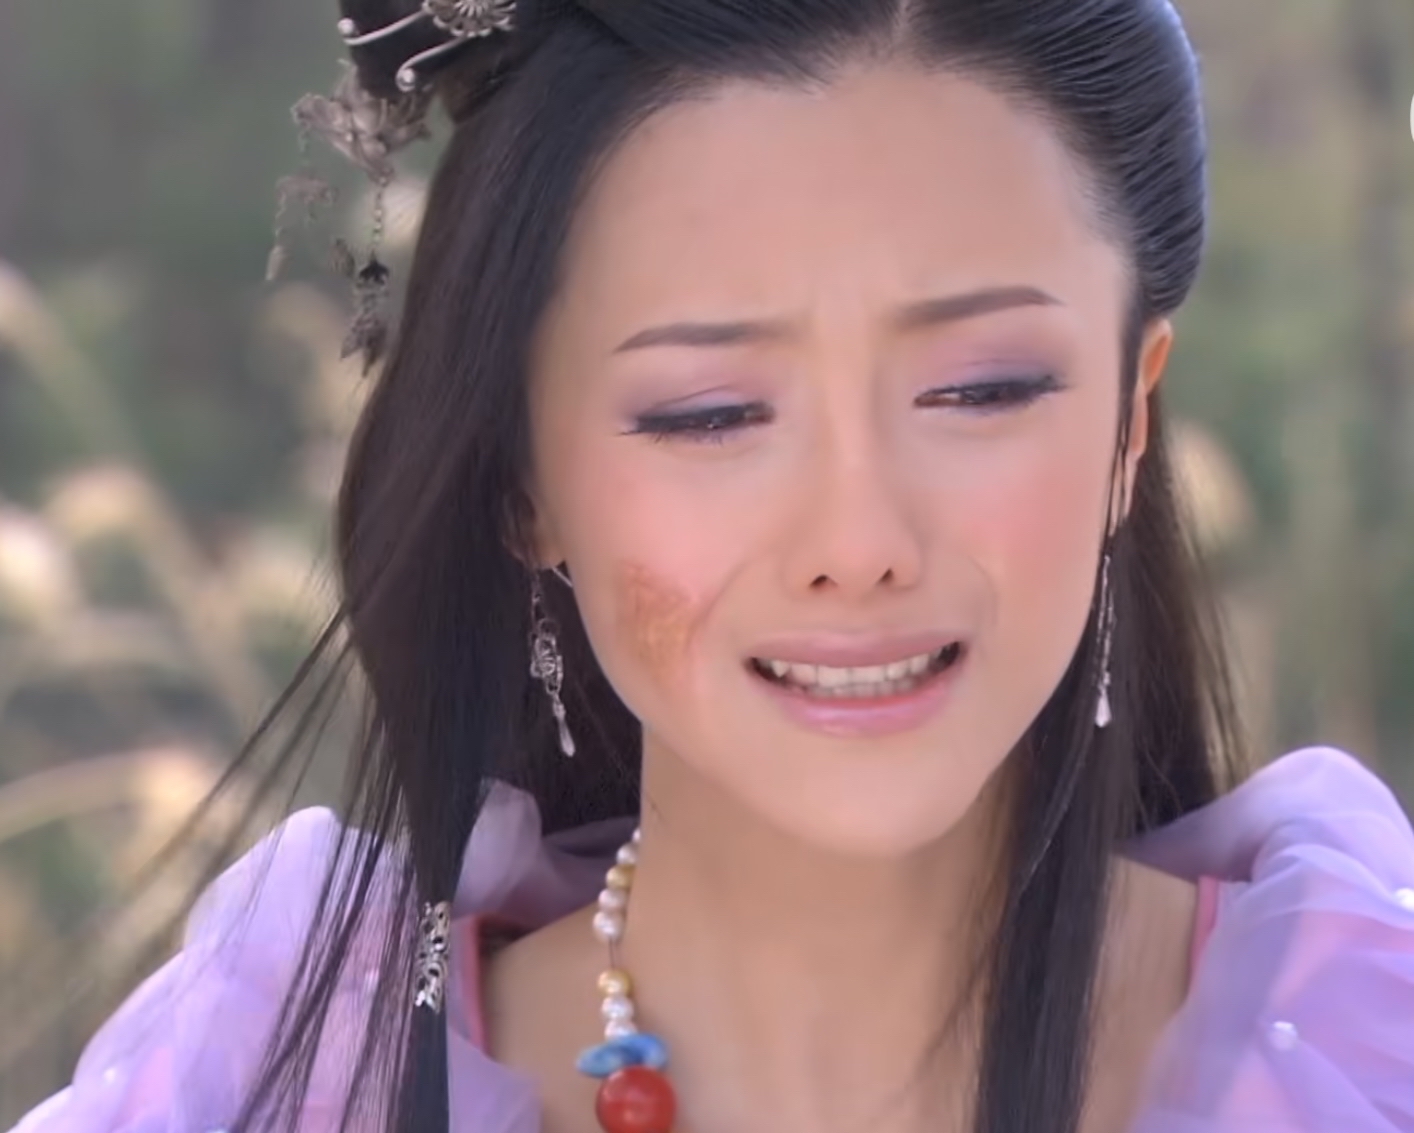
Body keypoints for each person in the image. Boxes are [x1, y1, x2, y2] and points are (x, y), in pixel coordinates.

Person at [11, 1, 1414, 1131]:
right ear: (523, 479)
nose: (858, 544)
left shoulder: (1369, 1049)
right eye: (710, 413)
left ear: (1128, 423)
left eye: (981, 389)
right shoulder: (290, 1085)